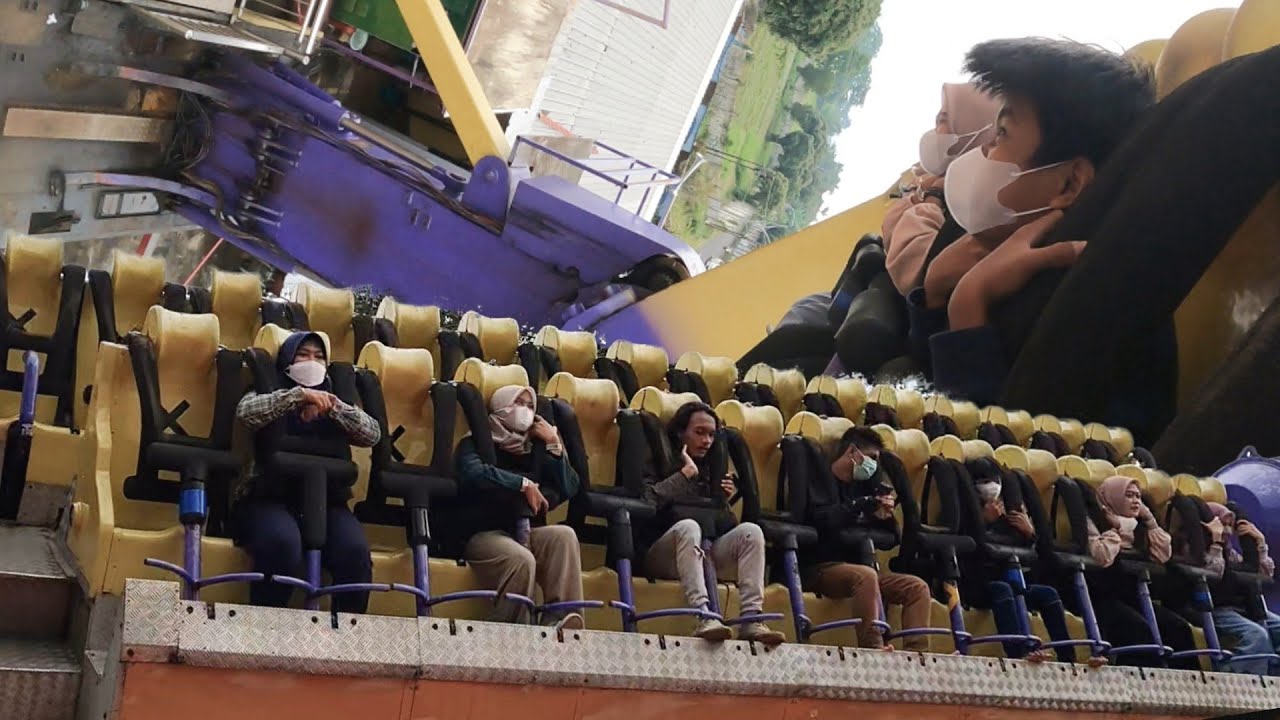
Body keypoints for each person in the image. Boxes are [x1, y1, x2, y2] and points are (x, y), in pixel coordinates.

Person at [903, 38, 1157, 408]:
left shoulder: (1093, 310)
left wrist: (967, 304)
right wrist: (935, 291)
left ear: (1069, 183)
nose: (984, 153)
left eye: (1002, 134)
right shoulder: (999, 252)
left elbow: (988, 454)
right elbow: (923, 377)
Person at [234, 332, 380, 613]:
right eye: (303, 355)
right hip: (269, 498)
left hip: (327, 502)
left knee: (355, 554)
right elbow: (246, 412)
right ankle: (266, 626)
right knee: (281, 544)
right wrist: (298, 396)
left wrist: (330, 405)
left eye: (318, 356)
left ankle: (347, 637)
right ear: (287, 360)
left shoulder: (335, 394)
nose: (311, 362)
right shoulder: (269, 386)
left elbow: (371, 433)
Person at [642, 402, 787, 645]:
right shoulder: (658, 459)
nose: (707, 441)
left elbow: (724, 526)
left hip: (704, 553)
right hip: (661, 553)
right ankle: (703, 615)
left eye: (711, 434)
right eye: (699, 433)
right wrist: (685, 474)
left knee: (751, 532)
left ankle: (752, 618)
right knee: (689, 527)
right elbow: (648, 500)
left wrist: (722, 502)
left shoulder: (713, 468)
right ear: (681, 433)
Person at [453, 385, 586, 630]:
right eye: (518, 403)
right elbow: (472, 473)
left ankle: (560, 620)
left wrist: (554, 443)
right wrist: (521, 484)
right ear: (501, 406)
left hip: (525, 529)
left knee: (564, 536)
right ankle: (513, 631)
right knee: (522, 559)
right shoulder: (475, 442)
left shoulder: (535, 448)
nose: (524, 410)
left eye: (530, 406)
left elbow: (570, 486)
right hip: (485, 533)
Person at [799, 427, 932, 651]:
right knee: (866, 576)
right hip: (821, 568)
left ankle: (917, 653)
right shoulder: (821, 480)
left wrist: (884, 516)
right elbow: (821, 520)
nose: (873, 466)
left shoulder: (863, 486)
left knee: (916, 587)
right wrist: (860, 506)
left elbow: (890, 539)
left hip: (862, 573)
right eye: (871, 458)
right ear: (852, 452)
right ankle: (873, 647)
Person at [883, 82, 1000, 295]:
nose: (935, 131)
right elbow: (889, 228)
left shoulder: (977, 203)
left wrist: (932, 197)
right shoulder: (937, 182)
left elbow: (910, 268)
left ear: (976, 131)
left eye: (943, 121)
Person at [964, 467, 1077, 663]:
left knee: (1047, 593)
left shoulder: (1008, 514)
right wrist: (986, 522)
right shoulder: (968, 511)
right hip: (977, 584)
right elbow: (976, 549)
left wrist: (1029, 533)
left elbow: (1034, 556)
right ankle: (1019, 653)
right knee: (1003, 589)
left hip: (1013, 580)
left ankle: (1068, 657)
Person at [1086, 476, 1196, 668]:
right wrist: (1117, 528)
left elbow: (1163, 555)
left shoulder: (1139, 527)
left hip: (1134, 597)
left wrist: (1150, 520)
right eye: (1129, 496)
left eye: (1138, 496)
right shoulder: (1095, 519)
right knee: (1138, 629)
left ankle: (1192, 687)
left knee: (1178, 627)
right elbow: (1101, 556)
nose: (1136, 501)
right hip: (1102, 598)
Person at [1202, 502, 1280, 676]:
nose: (1227, 530)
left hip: (1243, 608)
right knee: (1257, 635)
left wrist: (1260, 544)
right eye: (1224, 524)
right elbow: (1214, 573)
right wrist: (1215, 542)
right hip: (1215, 608)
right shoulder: (1200, 548)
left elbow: (1265, 575)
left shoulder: (1232, 554)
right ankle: (1241, 676)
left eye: (1231, 526)